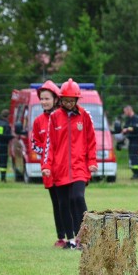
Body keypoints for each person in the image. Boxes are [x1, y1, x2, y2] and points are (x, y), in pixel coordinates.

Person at [41, 78, 98, 250]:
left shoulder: (85, 116)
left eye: (71, 100)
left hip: (80, 167)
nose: (68, 103)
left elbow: (91, 141)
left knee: (77, 197)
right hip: (59, 170)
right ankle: (70, 239)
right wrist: (46, 166)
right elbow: (49, 145)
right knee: (63, 204)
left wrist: (92, 162)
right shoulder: (54, 117)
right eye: (65, 100)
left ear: (77, 100)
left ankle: (85, 235)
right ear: (61, 100)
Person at [31, 80, 68, 248]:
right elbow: (34, 144)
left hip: (64, 170)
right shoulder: (38, 121)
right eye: (42, 99)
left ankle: (74, 236)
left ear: (56, 99)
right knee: (57, 204)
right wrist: (48, 153)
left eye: (47, 98)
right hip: (48, 172)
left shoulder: (64, 117)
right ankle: (61, 237)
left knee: (68, 202)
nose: (44, 102)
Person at [121, 105, 138, 180]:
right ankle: (135, 172)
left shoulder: (136, 119)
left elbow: (136, 127)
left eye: (125, 111)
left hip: (136, 141)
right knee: (132, 157)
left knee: (134, 157)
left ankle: (137, 173)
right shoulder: (129, 120)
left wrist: (127, 129)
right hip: (131, 141)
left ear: (129, 110)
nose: (125, 113)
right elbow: (125, 127)